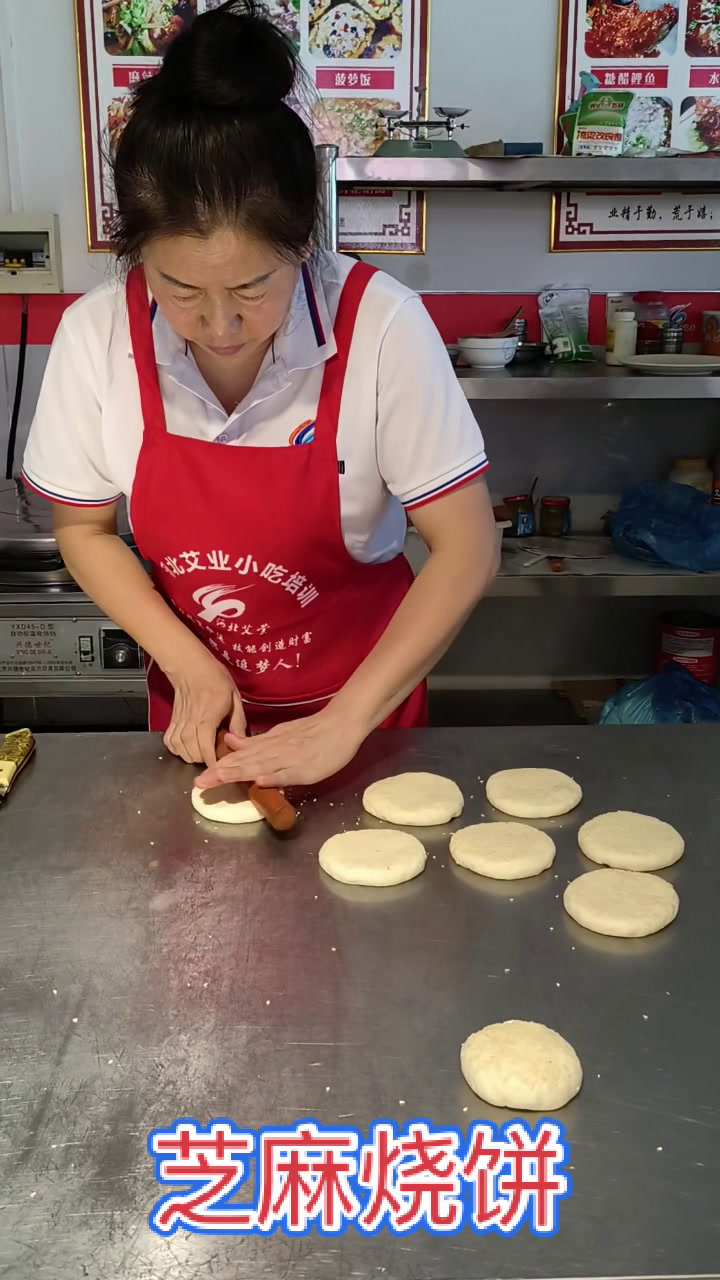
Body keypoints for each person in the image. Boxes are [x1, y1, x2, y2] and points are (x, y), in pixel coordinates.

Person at [22, 0, 497, 789]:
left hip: (365, 720)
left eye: (253, 287)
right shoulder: (96, 334)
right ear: (134, 255)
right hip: (199, 724)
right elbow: (83, 527)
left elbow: (468, 547)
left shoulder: (380, 327)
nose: (220, 325)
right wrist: (187, 663)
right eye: (179, 289)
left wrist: (345, 723)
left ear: (304, 244)